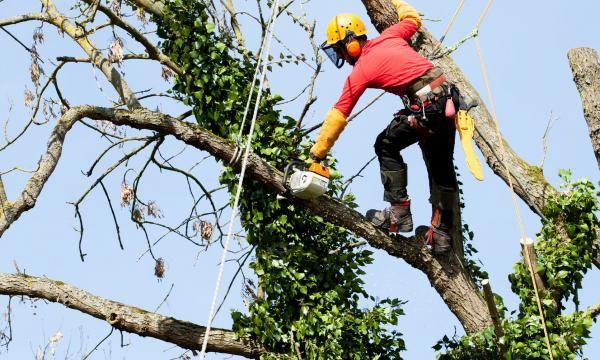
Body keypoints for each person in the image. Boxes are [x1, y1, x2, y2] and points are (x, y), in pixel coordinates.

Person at [309, 0, 461, 254]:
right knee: (441, 169)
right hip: (447, 101)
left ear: (350, 42)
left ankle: (398, 213)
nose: (343, 58)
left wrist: (317, 154)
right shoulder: (389, 36)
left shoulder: (362, 71)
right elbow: (411, 19)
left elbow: (338, 115)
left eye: (340, 49)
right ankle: (442, 234)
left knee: (386, 144)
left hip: (428, 107)